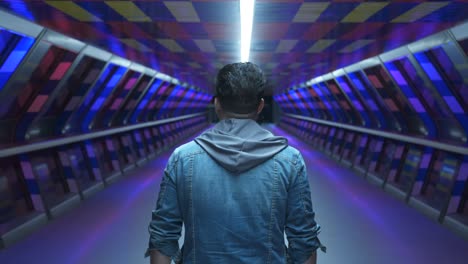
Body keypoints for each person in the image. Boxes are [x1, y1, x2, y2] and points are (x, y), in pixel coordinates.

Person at [145, 62, 325, 264]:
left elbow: (163, 237)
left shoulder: (182, 158)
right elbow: (303, 241)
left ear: (217, 104)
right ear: (260, 106)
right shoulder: (290, 160)